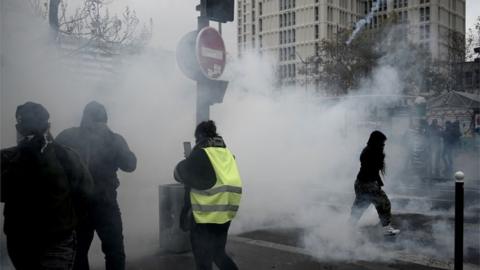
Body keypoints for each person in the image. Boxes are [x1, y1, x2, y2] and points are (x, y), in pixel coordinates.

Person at [1, 102, 93, 269]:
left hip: (22, 241)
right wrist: (69, 222)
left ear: (18, 129)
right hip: (57, 240)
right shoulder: (66, 156)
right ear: (48, 126)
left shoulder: (8, 158)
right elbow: (85, 194)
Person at [56, 101, 137, 270]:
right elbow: (130, 164)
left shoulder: (67, 136)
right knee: (114, 251)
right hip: (105, 204)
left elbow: (52, 164)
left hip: (78, 205)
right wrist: (111, 136)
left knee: (78, 253)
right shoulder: (113, 139)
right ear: (104, 121)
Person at [174, 120, 241, 270]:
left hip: (204, 217)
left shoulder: (200, 153)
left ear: (200, 136)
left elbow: (178, 174)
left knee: (203, 261)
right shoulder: (227, 153)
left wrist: (189, 159)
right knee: (218, 254)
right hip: (224, 215)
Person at [350, 130, 400, 236]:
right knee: (384, 203)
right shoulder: (371, 153)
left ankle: (349, 228)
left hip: (361, 183)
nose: (383, 145)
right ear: (376, 142)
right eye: (382, 143)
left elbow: (374, 171)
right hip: (367, 184)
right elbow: (372, 170)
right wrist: (376, 187)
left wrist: (379, 183)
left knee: (359, 207)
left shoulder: (370, 151)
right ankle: (386, 228)